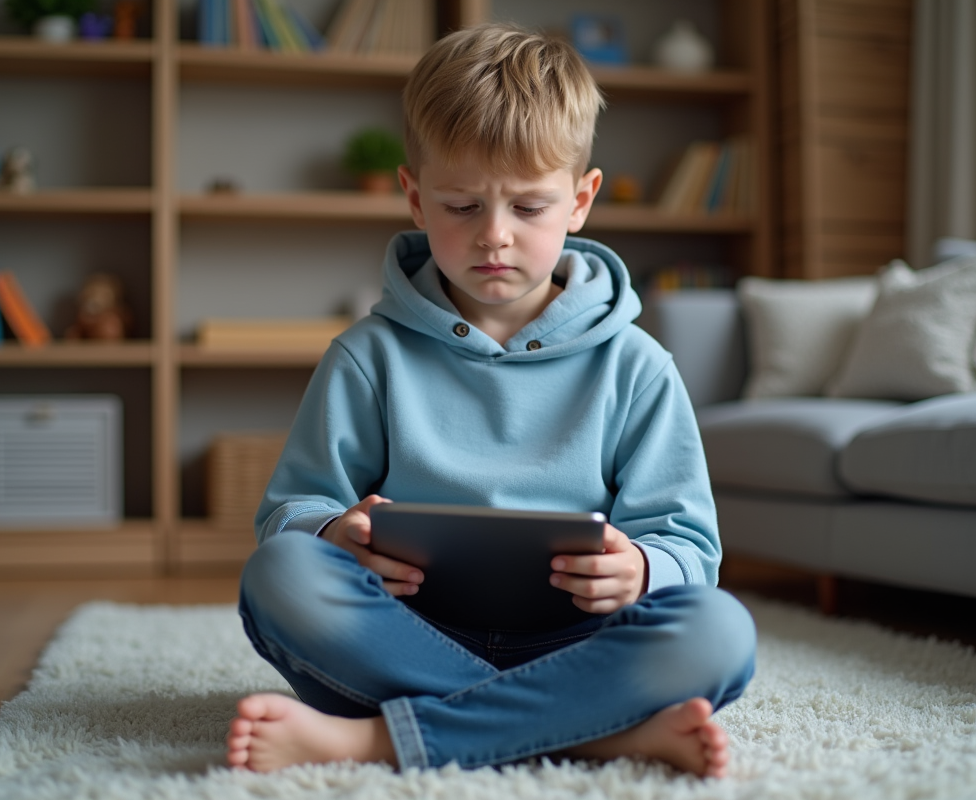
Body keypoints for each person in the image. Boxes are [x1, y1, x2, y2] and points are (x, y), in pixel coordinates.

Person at [226, 21, 756, 779]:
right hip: (402, 633)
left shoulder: (639, 367)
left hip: (579, 643)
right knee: (280, 575)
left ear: (581, 200)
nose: (495, 237)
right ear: (414, 197)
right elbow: (290, 512)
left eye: (529, 209)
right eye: (463, 206)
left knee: (718, 630)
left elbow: (690, 551)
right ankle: (589, 731)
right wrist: (333, 532)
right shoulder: (366, 357)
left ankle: (375, 741)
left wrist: (642, 569)